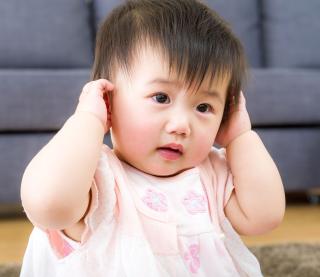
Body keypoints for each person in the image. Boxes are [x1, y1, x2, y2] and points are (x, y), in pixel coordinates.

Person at [20, 0, 285, 276]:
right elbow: (48, 205)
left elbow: (264, 217)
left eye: (204, 107)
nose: (182, 125)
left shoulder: (210, 174)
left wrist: (241, 137)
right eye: (161, 98)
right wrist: (88, 119)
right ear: (109, 99)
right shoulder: (96, 179)